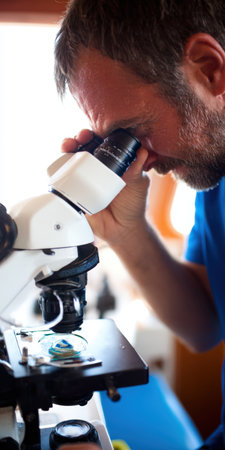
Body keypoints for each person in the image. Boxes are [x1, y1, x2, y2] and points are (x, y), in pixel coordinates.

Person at [54, 0, 225, 448]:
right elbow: (206, 324)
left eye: (136, 129)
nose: (141, 159)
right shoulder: (217, 177)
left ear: (209, 69)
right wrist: (123, 229)